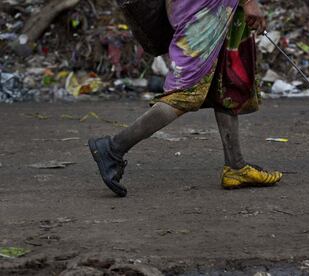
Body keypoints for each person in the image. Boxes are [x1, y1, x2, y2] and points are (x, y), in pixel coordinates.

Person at [88, 0, 282, 197]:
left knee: (225, 81)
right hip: (205, 8)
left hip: (211, 7)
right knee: (186, 93)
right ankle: (113, 148)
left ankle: (236, 165)